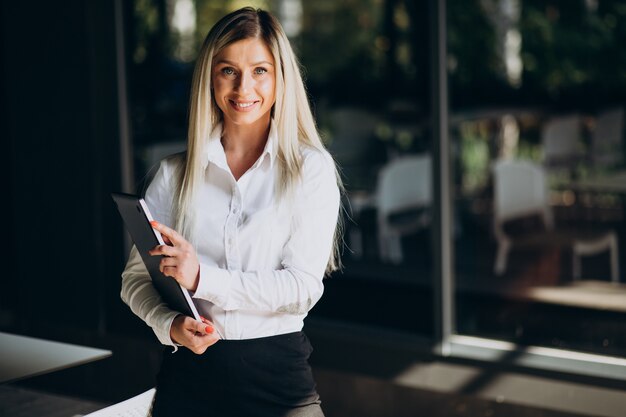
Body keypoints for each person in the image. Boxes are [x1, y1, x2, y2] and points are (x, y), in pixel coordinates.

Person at [120, 6, 342, 417]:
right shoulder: (173, 175)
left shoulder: (311, 170)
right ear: (210, 77)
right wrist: (168, 325)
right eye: (228, 70)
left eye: (260, 70)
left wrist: (202, 278)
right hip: (187, 384)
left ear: (280, 79)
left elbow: (301, 289)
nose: (244, 87)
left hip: (280, 385)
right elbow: (135, 280)